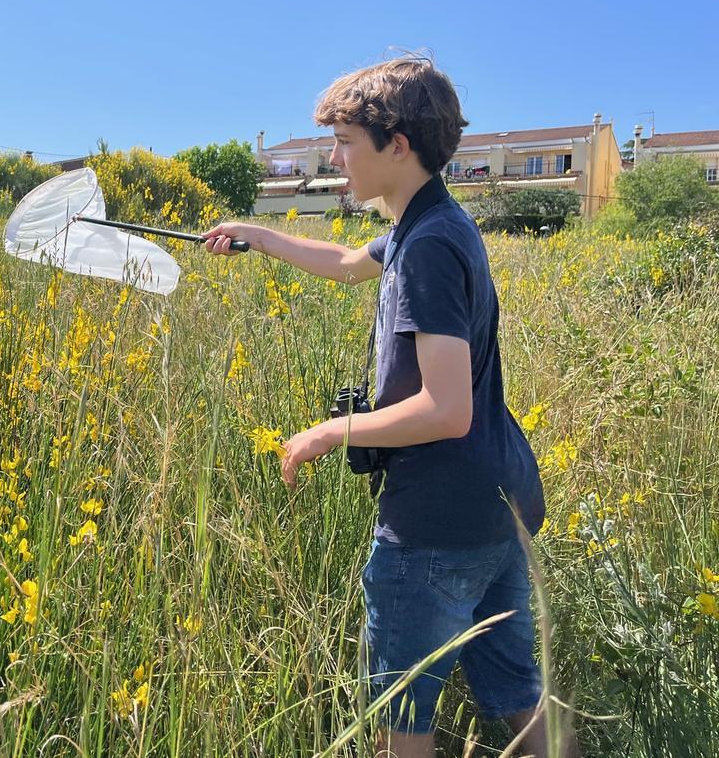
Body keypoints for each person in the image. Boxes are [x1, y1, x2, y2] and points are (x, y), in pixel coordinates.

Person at [202, 57, 577, 758]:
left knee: (403, 725)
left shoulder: (428, 247)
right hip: (494, 508)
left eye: (345, 142)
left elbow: (446, 408)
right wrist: (254, 235)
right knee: (521, 697)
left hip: (433, 526)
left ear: (396, 145)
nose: (334, 158)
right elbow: (345, 263)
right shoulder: (426, 222)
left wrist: (327, 431)